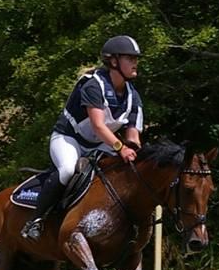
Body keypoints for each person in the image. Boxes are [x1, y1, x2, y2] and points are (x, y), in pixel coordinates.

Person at [21, 34, 144, 241]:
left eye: (135, 59)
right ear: (114, 61)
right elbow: (98, 126)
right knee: (68, 169)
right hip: (69, 139)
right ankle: (35, 220)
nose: (135, 63)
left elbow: (133, 133)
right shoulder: (94, 86)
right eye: (130, 58)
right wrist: (120, 148)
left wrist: (135, 152)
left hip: (101, 144)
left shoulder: (133, 96)